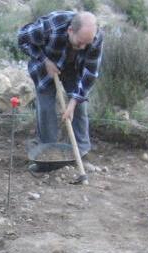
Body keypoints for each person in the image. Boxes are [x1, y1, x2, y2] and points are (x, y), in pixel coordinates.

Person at [17, 10, 102, 173]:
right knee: (46, 108)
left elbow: (90, 73)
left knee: (80, 107)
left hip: (74, 68)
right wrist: (44, 60)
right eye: (80, 43)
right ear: (70, 30)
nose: (83, 47)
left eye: (87, 44)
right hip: (47, 65)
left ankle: (80, 155)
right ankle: (48, 159)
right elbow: (22, 39)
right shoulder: (51, 26)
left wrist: (73, 103)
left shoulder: (95, 38)